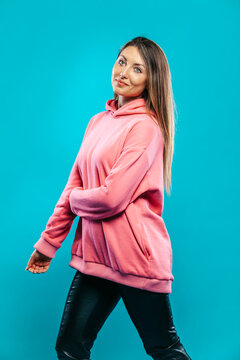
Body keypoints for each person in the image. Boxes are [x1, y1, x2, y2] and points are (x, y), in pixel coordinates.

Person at [25, 36, 192, 360]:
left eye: (137, 68)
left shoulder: (146, 128)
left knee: (164, 349)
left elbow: (111, 199)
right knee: (69, 348)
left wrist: (76, 200)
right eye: (122, 61)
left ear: (150, 81)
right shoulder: (97, 123)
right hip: (96, 258)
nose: (124, 72)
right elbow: (73, 185)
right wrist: (47, 245)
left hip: (135, 259)